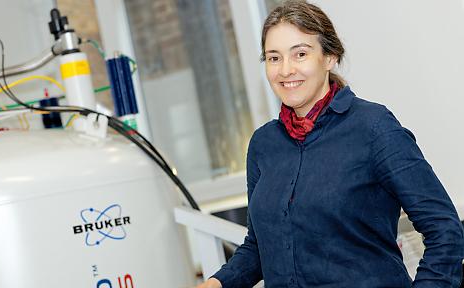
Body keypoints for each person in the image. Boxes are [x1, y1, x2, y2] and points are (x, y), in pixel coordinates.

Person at [196, 1, 464, 287]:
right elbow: (260, 247)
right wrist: (217, 283)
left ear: (330, 57)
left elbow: (444, 230)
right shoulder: (264, 144)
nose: (286, 70)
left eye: (300, 54)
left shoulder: (373, 127)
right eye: (274, 58)